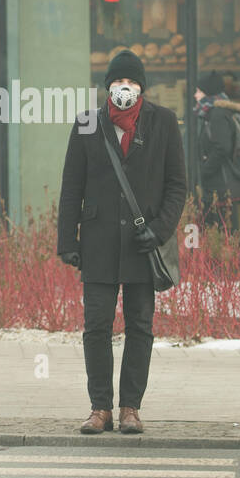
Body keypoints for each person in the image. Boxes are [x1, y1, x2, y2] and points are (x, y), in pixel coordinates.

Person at [57, 49, 187, 435]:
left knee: (140, 327)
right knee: (96, 326)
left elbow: (177, 186)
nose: (124, 88)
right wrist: (68, 239)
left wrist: (160, 230)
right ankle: (100, 409)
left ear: (141, 87)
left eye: (130, 82)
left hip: (141, 247)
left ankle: (130, 408)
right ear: (107, 87)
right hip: (97, 243)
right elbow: (71, 187)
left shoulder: (162, 122)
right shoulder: (86, 125)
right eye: (117, 82)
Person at [193, 71, 240, 231]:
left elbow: (222, 147)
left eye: (199, 91)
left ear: (208, 93)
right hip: (221, 182)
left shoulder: (217, 114)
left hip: (220, 183)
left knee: (222, 229)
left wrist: (204, 170)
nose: (195, 95)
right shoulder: (216, 112)